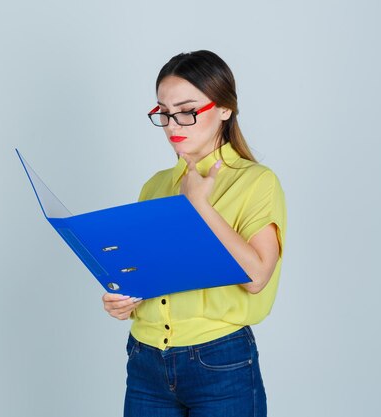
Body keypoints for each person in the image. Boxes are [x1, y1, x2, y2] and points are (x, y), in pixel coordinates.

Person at [102, 50, 286, 417]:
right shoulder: (155, 186)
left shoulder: (256, 182)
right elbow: (147, 273)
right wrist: (123, 299)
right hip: (145, 360)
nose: (173, 125)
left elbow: (256, 277)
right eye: (164, 112)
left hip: (219, 361)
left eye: (187, 111)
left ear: (224, 109)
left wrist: (201, 206)